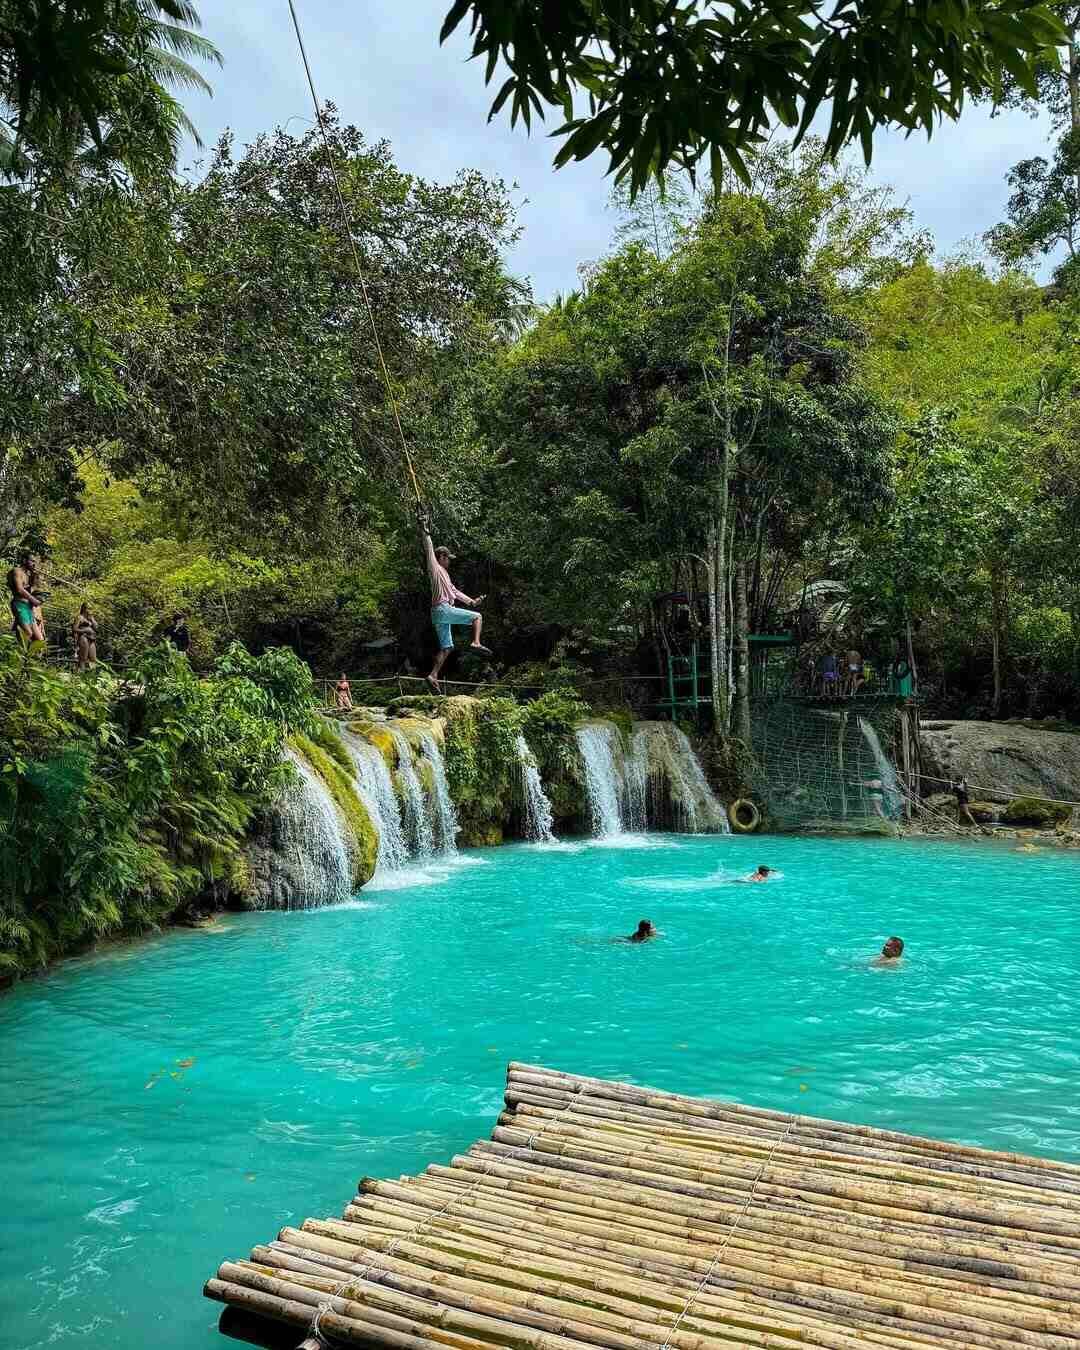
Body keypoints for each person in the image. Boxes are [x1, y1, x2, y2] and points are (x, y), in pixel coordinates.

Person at [418, 511, 491, 693]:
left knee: (447, 647)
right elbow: (428, 547)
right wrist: (425, 530)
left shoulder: (446, 576)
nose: (449, 562)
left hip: (438, 613)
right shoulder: (434, 568)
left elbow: (455, 592)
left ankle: (433, 675)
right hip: (442, 609)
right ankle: (475, 642)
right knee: (477, 618)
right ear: (441, 557)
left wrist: (472, 602)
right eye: (448, 558)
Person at [6, 553, 39, 643]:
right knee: (28, 633)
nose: (34, 564)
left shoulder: (28, 575)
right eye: (32, 561)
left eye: (34, 562)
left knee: (39, 639)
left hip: (28, 607)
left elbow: (32, 590)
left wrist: (34, 576)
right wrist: (33, 599)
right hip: (19, 604)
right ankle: (17, 654)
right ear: (24, 560)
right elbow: (19, 589)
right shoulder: (16, 571)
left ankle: (32, 656)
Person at [72, 603, 98, 670]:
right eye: (88, 608)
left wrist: (92, 619)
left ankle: (92, 675)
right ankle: (80, 674)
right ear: (84, 608)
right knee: (83, 658)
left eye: (91, 608)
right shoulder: (79, 617)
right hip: (83, 638)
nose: (90, 610)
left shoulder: (90, 618)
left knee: (93, 658)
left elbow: (96, 628)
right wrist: (85, 631)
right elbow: (74, 629)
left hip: (91, 639)